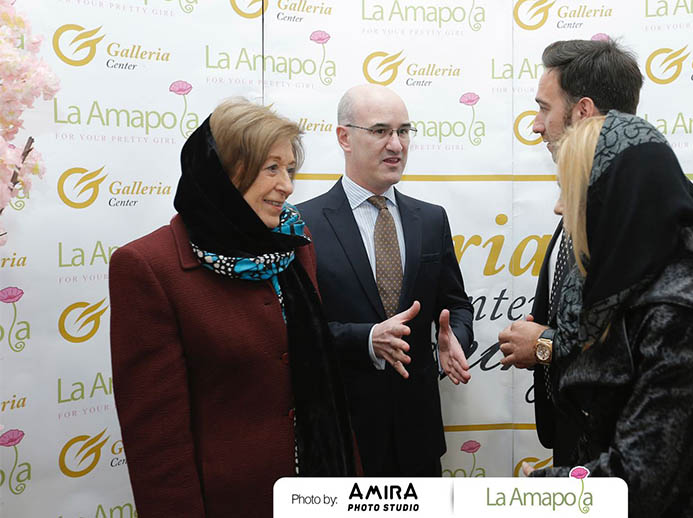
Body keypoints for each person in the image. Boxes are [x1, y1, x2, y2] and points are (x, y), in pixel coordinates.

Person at [109, 98, 358, 518]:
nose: (287, 186)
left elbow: (324, 385)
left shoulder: (294, 245)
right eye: (272, 168)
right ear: (224, 171)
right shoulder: (148, 266)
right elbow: (156, 442)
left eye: (290, 170)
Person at [498, 38, 693, 465]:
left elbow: (661, 339)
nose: (536, 126)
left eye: (544, 108)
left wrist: (544, 345)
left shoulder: (660, 204)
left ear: (582, 111)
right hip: (578, 437)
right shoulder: (593, 192)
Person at [527, 113, 693, 518]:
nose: (559, 208)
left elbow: (635, 483)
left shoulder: (685, 314)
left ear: (612, 200)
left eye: (568, 192)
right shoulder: (617, 289)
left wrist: (522, 496)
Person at [296, 84, 474, 477]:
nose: (396, 145)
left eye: (404, 131)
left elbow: (456, 304)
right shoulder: (302, 224)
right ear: (344, 137)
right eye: (380, 131)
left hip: (418, 437)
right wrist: (367, 339)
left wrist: (455, 338)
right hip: (343, 438)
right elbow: (297, 330)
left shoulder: (431, 220)